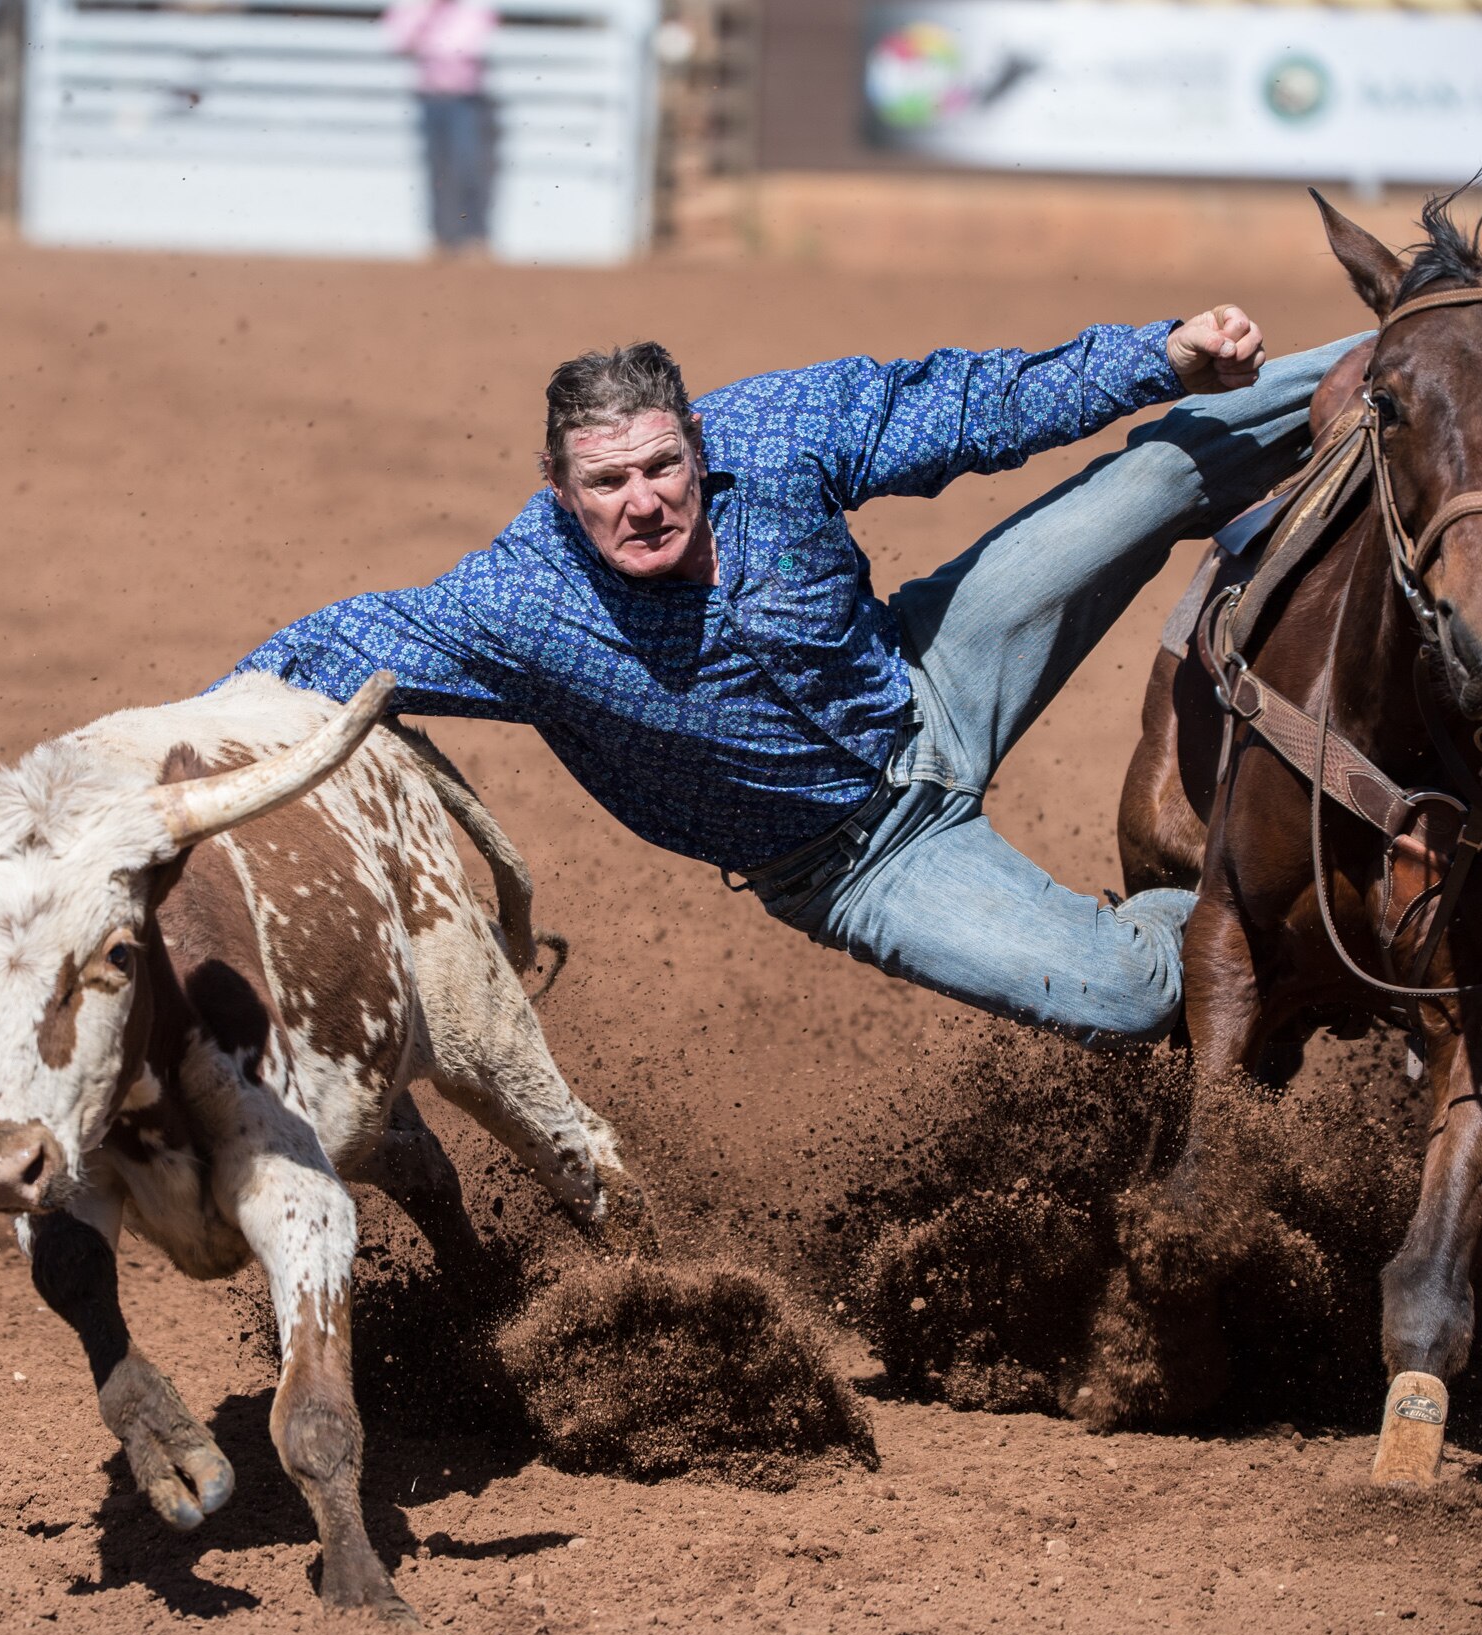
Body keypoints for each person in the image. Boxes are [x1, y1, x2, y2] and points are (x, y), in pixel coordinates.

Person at [233, 313, 1359, 1045]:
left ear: (697, 446)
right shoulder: (517, 607)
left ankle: (1446, 353)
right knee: (1127, 997)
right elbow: (321, 650)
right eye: (607, 479)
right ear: (557, 483)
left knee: (1165, 471)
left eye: (663, 465)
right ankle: (1234, 924)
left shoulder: (773, 433)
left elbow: (973, 406)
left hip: (931, 677)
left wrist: (1158, 357)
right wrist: (169, 756)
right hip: (853, 862)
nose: (643, 501)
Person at [382, 0, 499, 254]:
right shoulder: (416, 6)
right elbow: (396, 39)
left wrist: (427, 38)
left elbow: (467, 44)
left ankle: (474, 236)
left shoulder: (472, 7)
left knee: (468, 166)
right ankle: (443, 236)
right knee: (439, 169)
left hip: (465, 99)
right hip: (430, 96)